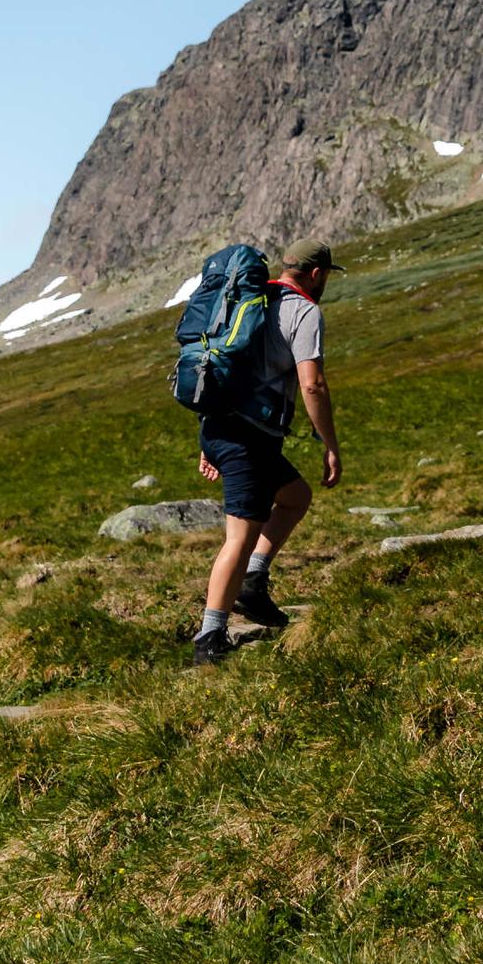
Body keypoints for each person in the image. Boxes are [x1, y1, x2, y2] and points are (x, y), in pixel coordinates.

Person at [193, 243, 338, 665]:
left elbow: (216, 367)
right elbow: (312, 385)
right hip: (249, 436)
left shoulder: (248, 301)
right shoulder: (304, 312)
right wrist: (329, 444)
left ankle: (253, 581)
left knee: (295, 496)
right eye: (327, 275)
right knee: (239, 536)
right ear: (316, 274)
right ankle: (210, 637)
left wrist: (207, 442)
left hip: (223, 427)